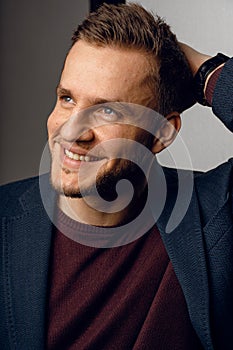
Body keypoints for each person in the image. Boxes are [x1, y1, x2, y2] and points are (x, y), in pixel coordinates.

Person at [0, 3, 232, 349]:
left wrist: (207, 71)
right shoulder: (5, 219)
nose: (72, 130)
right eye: (67, 99)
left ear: (162, 133)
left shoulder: (209, 216)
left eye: (107, 110)